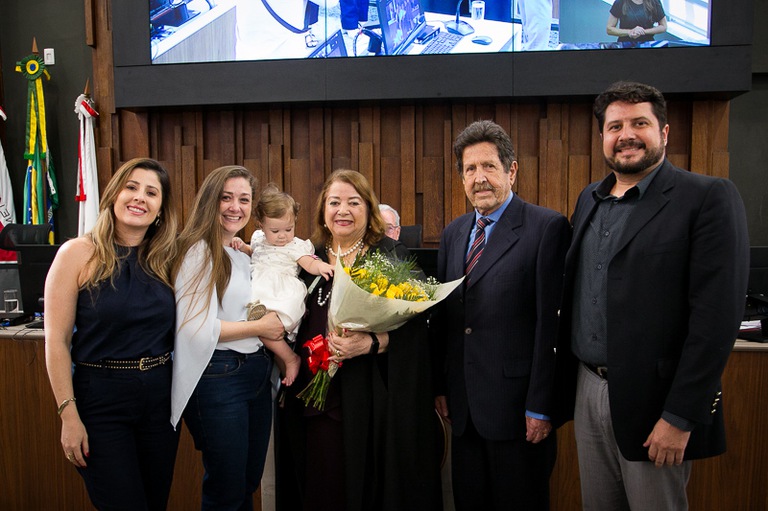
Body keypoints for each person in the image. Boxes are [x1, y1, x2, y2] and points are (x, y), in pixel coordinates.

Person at [556, 81, 749, 510]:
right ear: (602, 137)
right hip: (589, 390)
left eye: (639, 123)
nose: (626, 134)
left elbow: (716, 320)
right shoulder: (590, 198)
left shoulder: (706, 198)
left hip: (657, 404)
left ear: (664, 132)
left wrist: (680, 416)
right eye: (615, 126)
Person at [276, 169, 442, 511]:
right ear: (323, 209)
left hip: (367, 407)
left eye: (353, 202)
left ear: (368, 209)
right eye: (334, 202)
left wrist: (372, 343)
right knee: (320, 487)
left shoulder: (390, 258)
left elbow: (418, 328)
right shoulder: (309, 260)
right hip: (310, 398)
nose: (343, 210)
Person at [431, 120, 570, 510]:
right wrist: (441, 386)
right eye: (470, 169)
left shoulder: (547, 228)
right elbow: (447, 319)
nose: (479, 178)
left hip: (520, 414)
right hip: (464, 409)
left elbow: (551, 327)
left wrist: (541, 406)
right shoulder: (453, 234)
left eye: (489, 166)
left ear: (511, 170)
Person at [44, 157, 181, 510]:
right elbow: (56, 342)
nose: (140, 198)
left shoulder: (167, 258)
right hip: (100, 401)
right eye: (131, 187)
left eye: (152, 193)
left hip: (160, 400)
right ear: (113, 194)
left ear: (160, 209)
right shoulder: (76, 253)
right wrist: (68, 416)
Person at [171, 165, 286, 510]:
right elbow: (194, 327)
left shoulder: (238, 252)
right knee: (227, 489)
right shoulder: (196, 252)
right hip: (220, 378)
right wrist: (260, 328)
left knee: (247, 483)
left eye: (244, 199)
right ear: (210, 200)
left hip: (255, 373)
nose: (236, 207)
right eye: (226, 197)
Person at [232, 184, 334, 387]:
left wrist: (321, 265)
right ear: (261, 225)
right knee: (259, 329)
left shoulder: (295, 245)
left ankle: (289, 359)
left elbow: (308, 262)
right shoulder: (259, 240)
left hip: (281, 292)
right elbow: (256, 252)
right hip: (258, 291)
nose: (282, 236)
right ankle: (285, 362)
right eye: (275, 230)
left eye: (289, 229)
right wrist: (243, 247)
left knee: (267, 328)